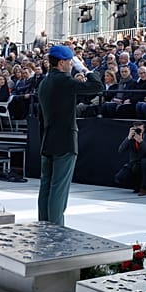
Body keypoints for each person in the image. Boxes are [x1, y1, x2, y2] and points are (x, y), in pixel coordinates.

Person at [37, 45, 103, 225]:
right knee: (59, 188)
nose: (71, 65)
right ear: (61, 63)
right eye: (69, 62)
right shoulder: (64, 80)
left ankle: (43, 226)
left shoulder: (44, 83)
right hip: (65, 140)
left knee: (46, 187)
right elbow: (98, 86)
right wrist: (85, 69)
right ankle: (56, 230)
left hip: (48, 139)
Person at [114, 122, 146, 196]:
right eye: (136, 129)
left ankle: (144, 187)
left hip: (145, 164)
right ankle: (136, 185)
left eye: (140, 129)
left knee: (145, 162)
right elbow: (120, 150)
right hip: (134, 163)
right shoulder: (131, 138)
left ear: (143, 129)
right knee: (119, 177)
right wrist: (128, 137)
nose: (138, 131)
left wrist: (141, 141)